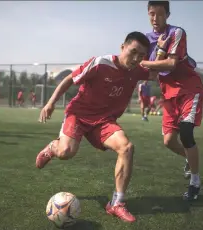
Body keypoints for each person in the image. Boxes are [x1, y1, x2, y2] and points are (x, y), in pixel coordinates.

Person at [35, 31, 166, 223]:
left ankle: (117, 203)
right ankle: (52, 148)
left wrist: (161, 49)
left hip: (104, 121)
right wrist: (50, 103)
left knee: (126, 148)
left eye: (141, 55)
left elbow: (155, 73)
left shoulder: (137, 69)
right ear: (123, 47)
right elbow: (70, 79)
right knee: (65, 152)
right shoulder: (100, 63)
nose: (136, 58)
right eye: (133, 52)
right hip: (79, 115)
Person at [141, 1, 203, 201]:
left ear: (167, 15)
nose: (155, 18)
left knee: (186, 132)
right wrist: (153, 58)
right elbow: (151, 76)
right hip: (168, 94)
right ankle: (188, 158)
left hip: (188, 89)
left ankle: (195, 182)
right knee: (168, 141)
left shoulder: (176, 33)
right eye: (152, 14)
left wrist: (144, 62)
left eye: (160, 14)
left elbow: (170, 62)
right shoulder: (145, 40)